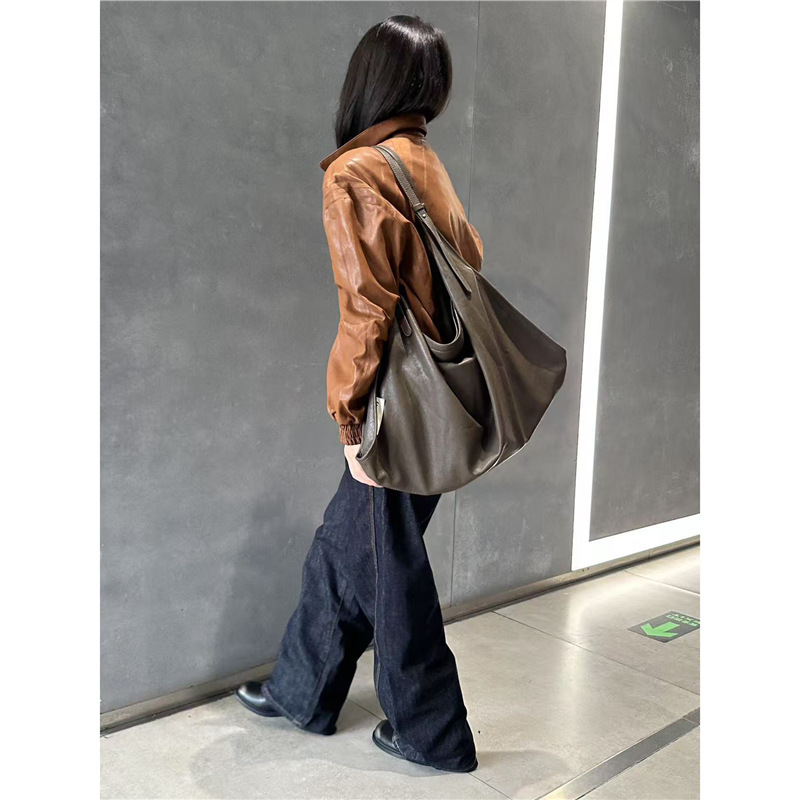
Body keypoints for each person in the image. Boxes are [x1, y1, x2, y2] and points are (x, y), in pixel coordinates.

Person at [235, 14, 484, 773]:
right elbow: (470, 259)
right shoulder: (421, 161)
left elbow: (367, 308)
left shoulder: (355, 171)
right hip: (441, 399)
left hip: (391, 406)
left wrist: (349, 421)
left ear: (367, 80)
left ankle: (434, 734)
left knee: (385, 563)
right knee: (344, 543)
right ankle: (302, 689)